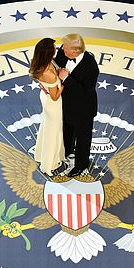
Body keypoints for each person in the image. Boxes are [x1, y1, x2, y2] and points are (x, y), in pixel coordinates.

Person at [54, 33, 99, 177]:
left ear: (75, 51)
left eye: (65, 48)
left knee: (83, 139)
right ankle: (66, 152)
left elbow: (84, 92)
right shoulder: (64, 52)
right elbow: (57, 59)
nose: (62, 49)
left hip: (83, 108)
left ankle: (81, 165)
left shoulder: (91, 67)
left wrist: (66, 78)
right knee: (67, 129)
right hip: (67, 104)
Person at [29, 38, 67, 176]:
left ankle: (41, 155)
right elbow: (55, 96)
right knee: (52, 133)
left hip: (46, 97)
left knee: (47, 128)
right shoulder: (49, 74)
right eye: (54, 48)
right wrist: (62, 80)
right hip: (53, 104)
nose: (56, 49)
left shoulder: (40, 62)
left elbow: (41, 82)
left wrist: (46, 84)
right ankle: (48, 165)